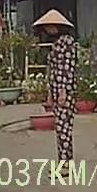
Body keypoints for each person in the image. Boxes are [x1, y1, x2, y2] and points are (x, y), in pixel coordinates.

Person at [33, 9, 77, 169]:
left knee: (64, 127)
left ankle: (65, 163)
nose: (48, 29)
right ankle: (64, 161)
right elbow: (53, 70)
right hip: (57, 88)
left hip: (65, 90)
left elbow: (67, 68)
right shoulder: (57, 43)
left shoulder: (67, 42)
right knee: (60, 128)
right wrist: (51, 93)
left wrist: (63, 91)